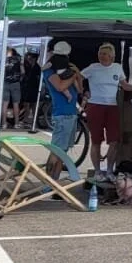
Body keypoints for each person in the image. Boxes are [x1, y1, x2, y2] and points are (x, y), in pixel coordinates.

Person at [83, 43, 132, 179]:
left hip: (112, 106)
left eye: (105, 54)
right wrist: (83, 91)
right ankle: (97, 172)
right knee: (96, 141)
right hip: (95, 106)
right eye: (100, 54)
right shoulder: (93, 67)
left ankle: (109, 170)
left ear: (112, 56)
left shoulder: (117, 67)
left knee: (114, 140)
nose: (102, 56)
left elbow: (124, 85)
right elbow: (78, 77)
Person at [42, 42, 83, 179]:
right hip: (62, 114)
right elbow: (60, 87)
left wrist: (77, 75)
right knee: (57, 151)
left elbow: (80, 90)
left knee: (62, 152)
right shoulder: (49, 71)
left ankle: (54, 181)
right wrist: (73, 76)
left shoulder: (66, 70)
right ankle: (49, 182)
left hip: (71, 114)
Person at [1, 47, 23, 128]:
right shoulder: (18, 60)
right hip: (15, 83)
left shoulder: (3, 60)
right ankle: (16, 123)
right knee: (16, 104)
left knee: (4, 104)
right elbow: (23, 71)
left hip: (5, 83)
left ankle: (4, 123)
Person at [20, 51, 41, 128]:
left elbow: (38, 78)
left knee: (33, 104)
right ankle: (26, 118)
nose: (29, 59)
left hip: (34, 87)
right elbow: (24, 74)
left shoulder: (37, 67)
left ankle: (34, 120)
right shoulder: (27, 66)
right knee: (26, 103)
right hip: (27, 86)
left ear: (34, 58)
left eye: (30, 58)